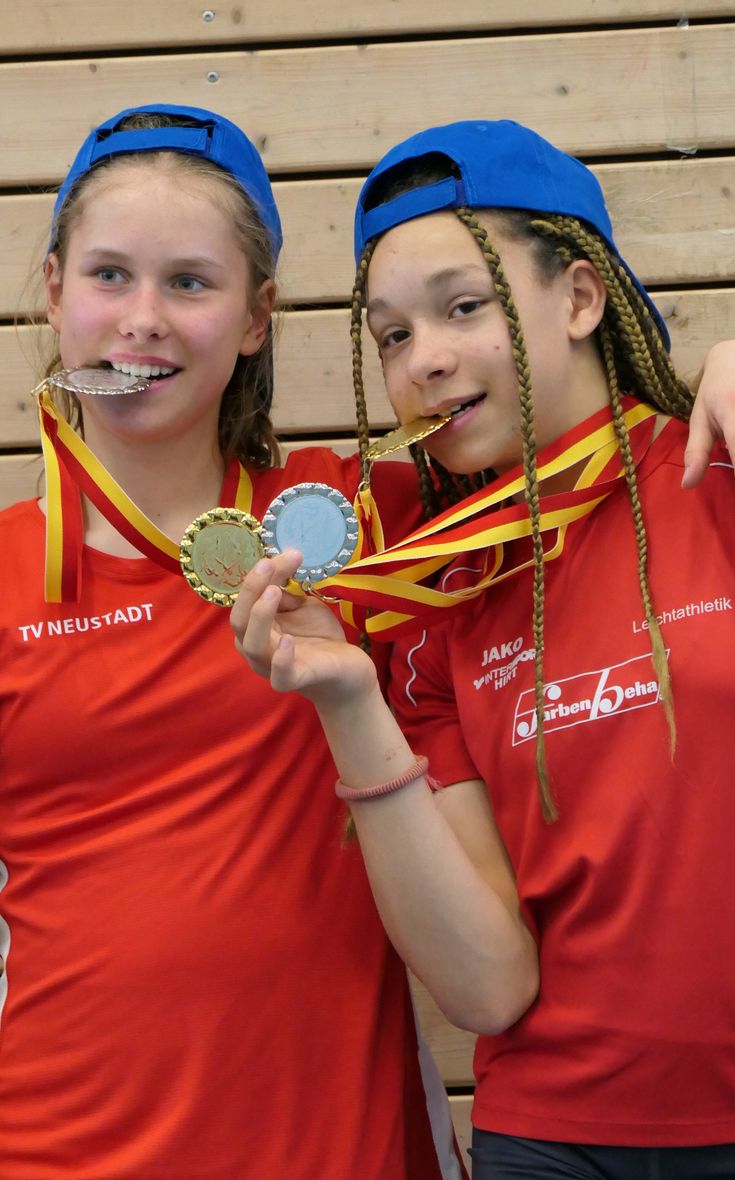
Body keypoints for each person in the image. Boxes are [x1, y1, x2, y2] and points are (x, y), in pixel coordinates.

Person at [232, 119, 735, 1180]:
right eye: (391, 335)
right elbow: (489, 988)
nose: (423, 358)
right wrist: (348, 703)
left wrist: (734, 356)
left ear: (580, 298)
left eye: (462, 306)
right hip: (547, 1141)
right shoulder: (441, 599)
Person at [0, 105, 463, 1180]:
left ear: (257, 318)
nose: (143, 320)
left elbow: (602, 477)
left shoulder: (362, 523)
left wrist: (731, 371)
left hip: (341, 1151)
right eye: (109, 276)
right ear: (55, 289)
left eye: (189, 283)